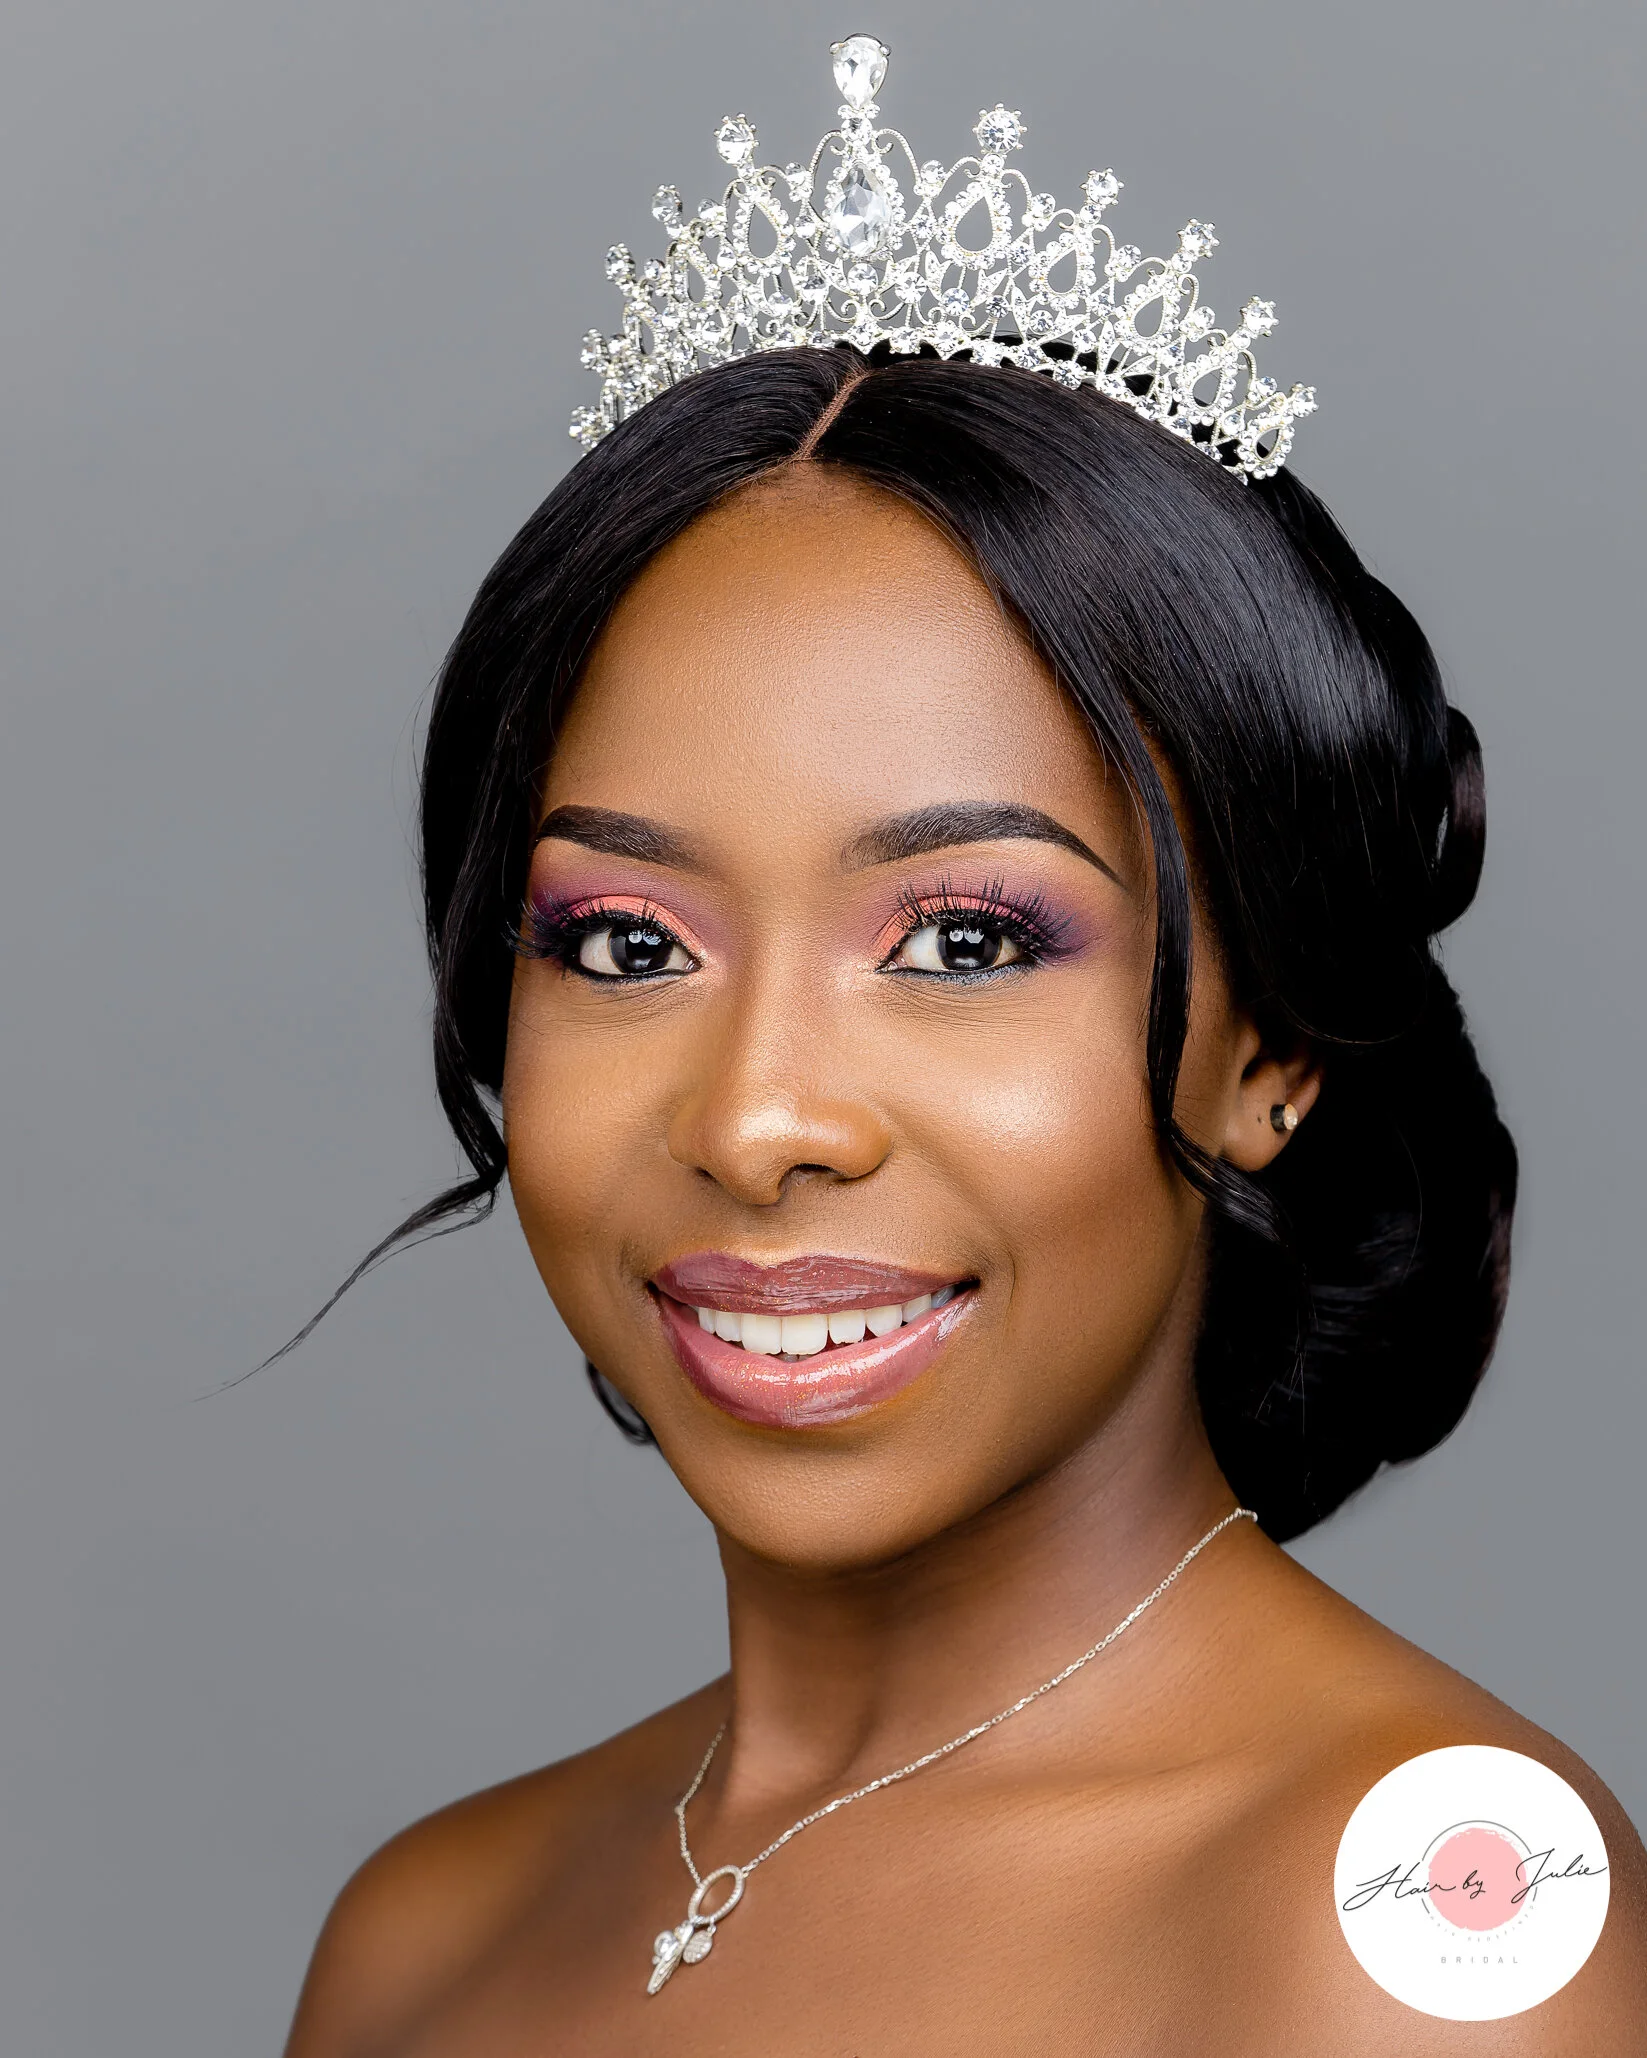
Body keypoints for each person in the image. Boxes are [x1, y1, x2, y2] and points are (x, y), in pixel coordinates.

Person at [283, 46, 1647, 2058]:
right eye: (629, 940)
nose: (757, 1119)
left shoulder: (1413, 1929)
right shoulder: (424, 1938)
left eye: (963, 937)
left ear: (1269, 1043)